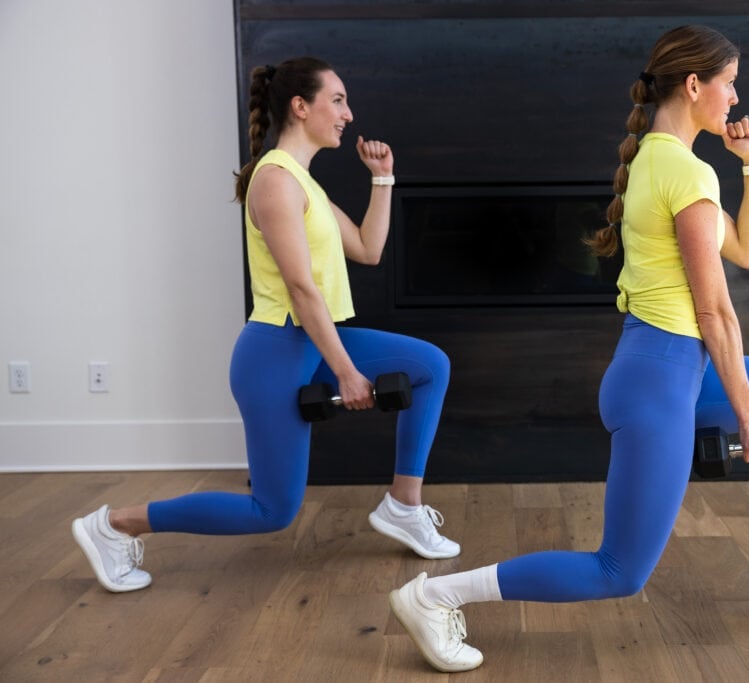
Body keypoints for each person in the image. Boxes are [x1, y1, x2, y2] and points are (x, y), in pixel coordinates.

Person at [388, 26, 749, 673]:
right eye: (729, 82)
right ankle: (434, 595)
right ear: (695, 84)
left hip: (668, 371)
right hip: (659, 385)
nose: (735, 97)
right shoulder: (684, 171)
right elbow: (716, 312)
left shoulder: (656, 158)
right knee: (618, 569)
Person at [71, 57, 460, 593]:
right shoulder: (275, 181)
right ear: (301, 107)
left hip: (314, 341)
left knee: (430, 366)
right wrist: (346, 373)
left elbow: (369, 249)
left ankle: (404, 504)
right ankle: (113, 525)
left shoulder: (304, 183)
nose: (349, 113)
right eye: (338, 100)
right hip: (275, 352)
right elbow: (302, 291)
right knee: (271, 510)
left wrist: (383, 178)